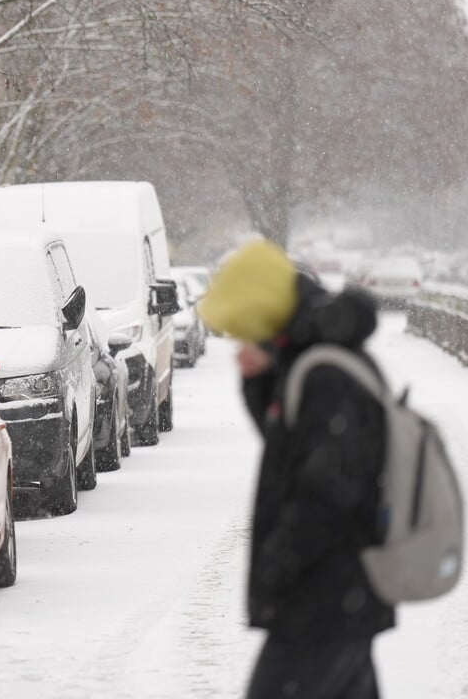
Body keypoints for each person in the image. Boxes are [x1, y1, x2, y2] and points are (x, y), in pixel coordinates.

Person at [198, 240, 394, 699]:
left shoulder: (325, 372)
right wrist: (257, 378)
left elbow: (327, 489)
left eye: (245, 328)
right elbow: (288, 445)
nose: (242, 341)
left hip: (323, 600)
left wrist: (279, 564)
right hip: (338, 598)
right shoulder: (309, 356)